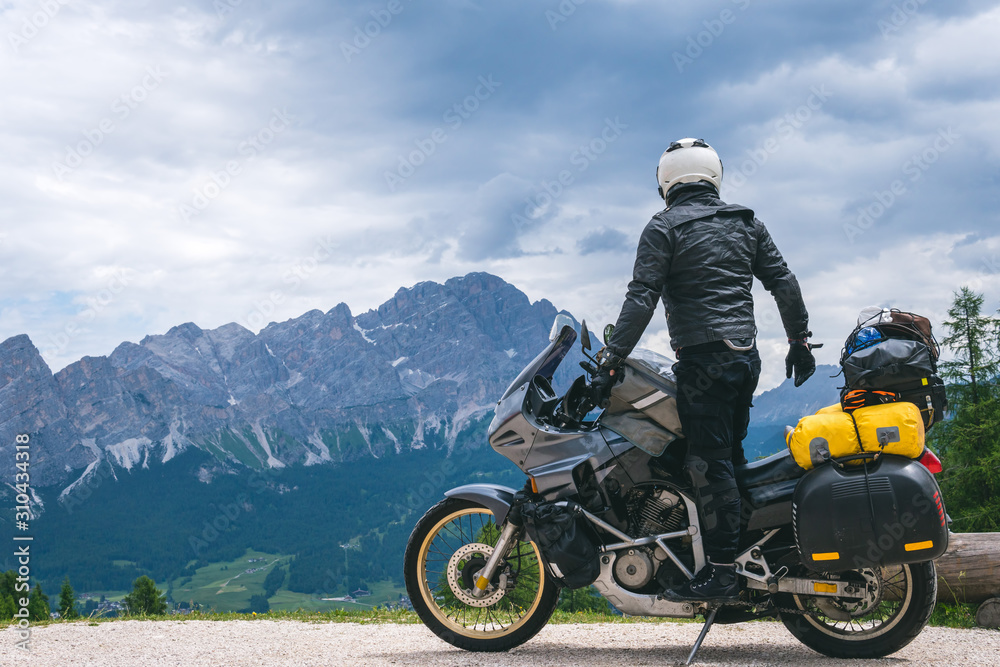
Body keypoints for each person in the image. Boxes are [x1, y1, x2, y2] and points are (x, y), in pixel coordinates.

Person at [592, 138, 816, 602]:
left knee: (707, 465)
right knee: (730, 459)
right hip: (745, 359)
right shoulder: (746, 222)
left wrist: (610, 361)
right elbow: (783, 281)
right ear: (713, 173)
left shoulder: (663, 227)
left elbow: (641, 298)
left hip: (702, 360)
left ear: (665, 181)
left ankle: (720, 574)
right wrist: (798, 341)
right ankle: (747, 556)